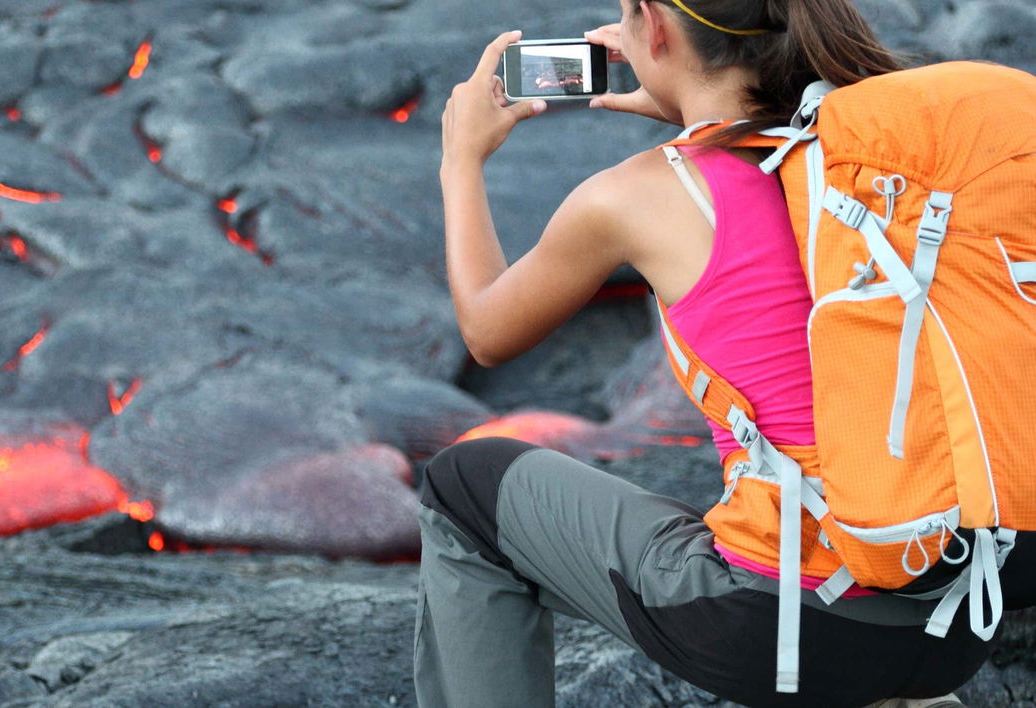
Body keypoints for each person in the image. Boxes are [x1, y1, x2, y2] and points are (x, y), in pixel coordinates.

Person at [414, 1, 1010, 706]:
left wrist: (461, 161)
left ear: (653, 24)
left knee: (464, 488)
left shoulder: (636, 196)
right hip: (958, 607)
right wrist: (689, 100)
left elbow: (487, 331)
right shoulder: (886, 163)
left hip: (782, 627)